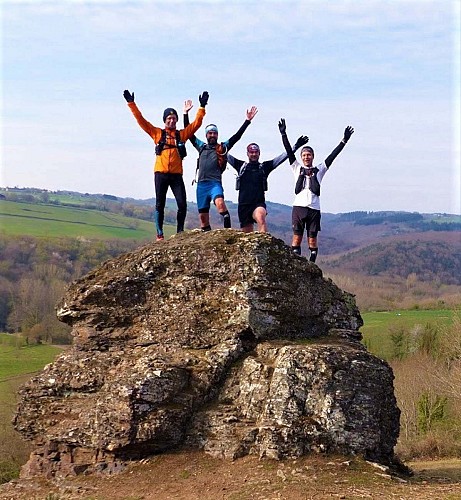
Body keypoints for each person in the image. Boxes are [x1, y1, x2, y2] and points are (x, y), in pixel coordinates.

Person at [123, 89, 209, 241]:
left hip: (176, 175)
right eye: (169, 118)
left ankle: (180, 232)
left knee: (182, 204)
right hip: (161, 174)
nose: (172, 121)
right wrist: (131, 103)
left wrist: (201, 107)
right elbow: (140, 120)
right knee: (160, 204)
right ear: (164, 120)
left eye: (174, 118)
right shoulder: (157, 133)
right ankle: (159, 235)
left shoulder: (181, 135)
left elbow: (196, 124)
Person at [278, 118, 354, 262]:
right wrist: (283, 134)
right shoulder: (296, 168)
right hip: (299, 207)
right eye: (304, 155)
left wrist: (344, 141)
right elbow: (288, 151)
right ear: (301, 157)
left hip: (314, 209)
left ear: (313, 156)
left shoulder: (320, 169)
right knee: (296, 239)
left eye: (309, 155)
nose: (307, 157)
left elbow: (333, 156)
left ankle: (311, 267)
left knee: (312, 241)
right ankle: (296, 266)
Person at [183, 101, 258, 231]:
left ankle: (227, 233)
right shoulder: (201, 146)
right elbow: (188, 133)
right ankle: (207, 240)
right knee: (203, 218)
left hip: (214, 183)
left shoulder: (222, 147)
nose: (212, 135)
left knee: (220, 205)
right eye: (210, 133)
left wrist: (247, 121)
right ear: (206, 135)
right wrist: (185, 114)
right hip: (201, 185)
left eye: (214, 133)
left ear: (217, 135)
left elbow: (237, 137)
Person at [227, 134, 308, 233]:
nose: (254, 154)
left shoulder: (264, 167)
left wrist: (296, 146)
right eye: (251, 152)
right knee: (246, 235)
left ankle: (264, 246)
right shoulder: (240, 166)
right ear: (247, 154)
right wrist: (216, 145)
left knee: (261, 218)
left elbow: (282, 157)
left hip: (258, 203)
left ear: (259, 153)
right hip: (243, 205)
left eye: (256, 152)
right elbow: (223, 153)